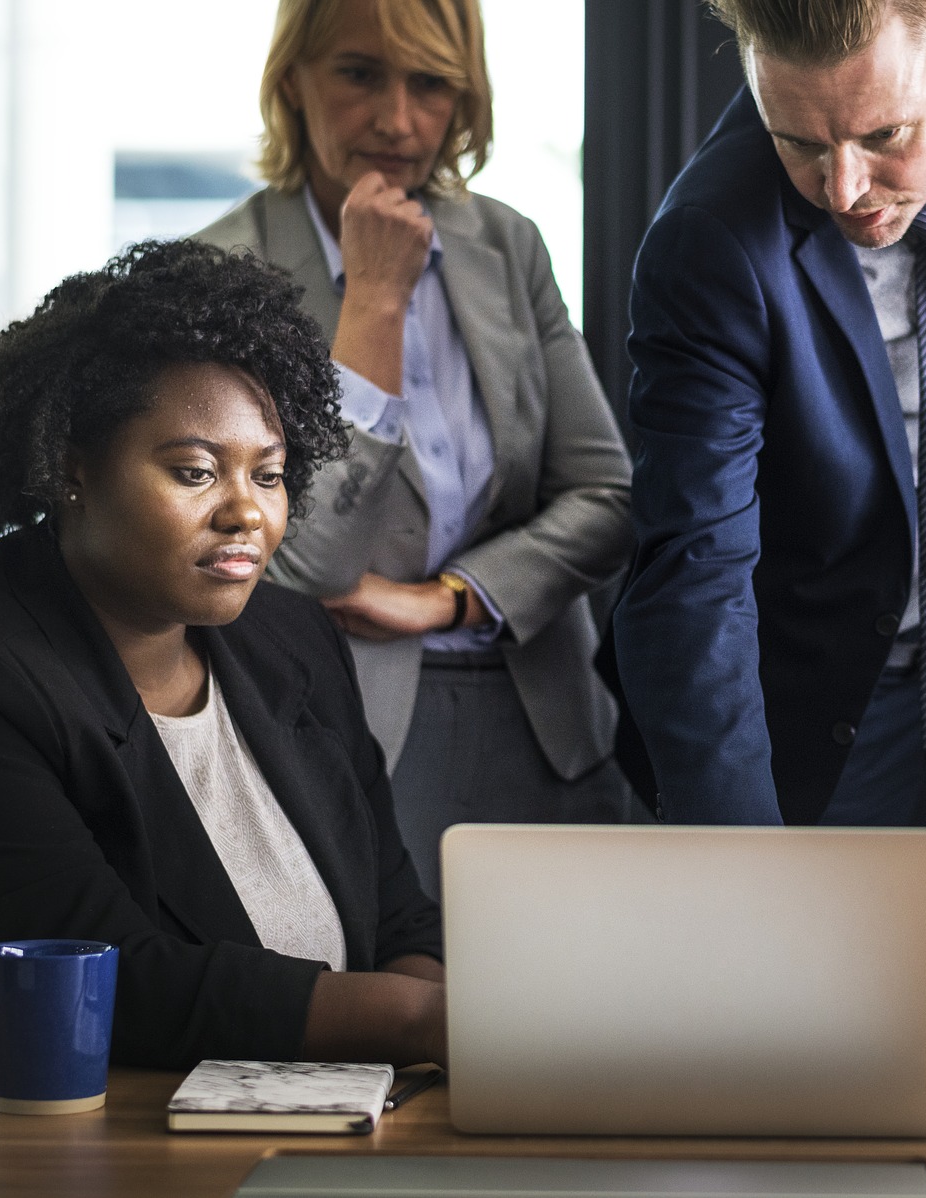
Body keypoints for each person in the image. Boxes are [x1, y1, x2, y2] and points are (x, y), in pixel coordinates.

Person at [0, 240, 446, 1070]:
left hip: (302, 1121)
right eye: (196, 472)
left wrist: (427, 1060)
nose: (246, 511)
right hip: (0, 1145)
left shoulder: (292, 642)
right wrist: (418, 1025)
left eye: (271, 475)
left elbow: (398, 919)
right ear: (73, 471)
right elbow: (114, 989)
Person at [611, 0, 926, 1033]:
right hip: (800, 718)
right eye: (799, 144)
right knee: (799, 1052)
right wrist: (743, 879)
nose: (845, 190)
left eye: (882, 138)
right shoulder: (707, 244)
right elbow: (690, 579)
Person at [196, 0, 636, 899]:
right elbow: (306, 562)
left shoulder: (506, 244)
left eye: (430, 83)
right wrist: (377, 304)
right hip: (350, 731)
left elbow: (607, 498)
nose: (398, 121)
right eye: (360, 74)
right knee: (405, 1025)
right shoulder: (220, 276)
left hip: (549, 721)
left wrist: (448, 600)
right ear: (294, 81)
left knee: (572, 1025)